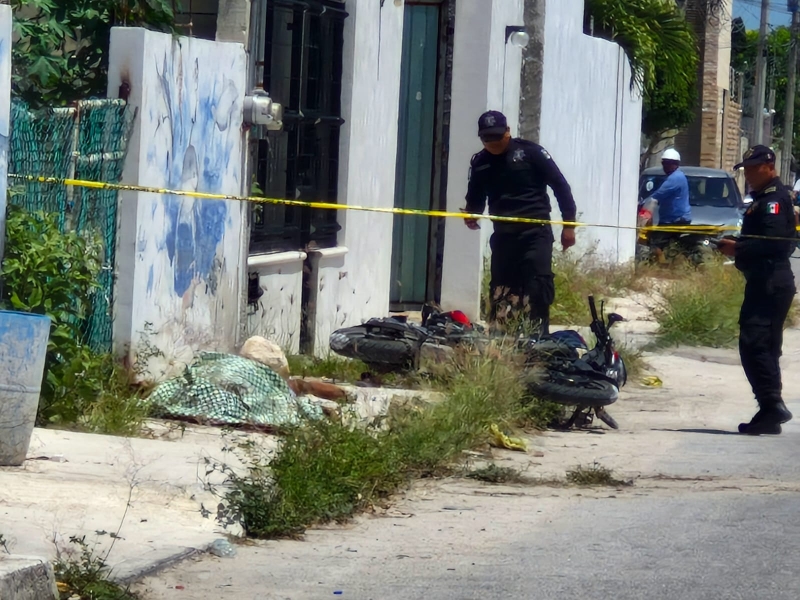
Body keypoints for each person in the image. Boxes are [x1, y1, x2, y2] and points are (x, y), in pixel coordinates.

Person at [462, 110, 576, 336]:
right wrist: (471, 214)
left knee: (537, 286)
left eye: (497, 137)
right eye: (487, 139)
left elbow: (560, 186)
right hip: (504, 236)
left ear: (508, 131)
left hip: (535, 233)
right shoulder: (480, 162)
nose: (493, 143)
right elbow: (475, 195)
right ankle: (502, 341)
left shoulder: (531, 153)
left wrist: (569, 226)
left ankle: (537, 338)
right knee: (502, 289)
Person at [718, 145, 796, 435]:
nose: (749, 174)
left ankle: (772, 404)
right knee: (762, 344)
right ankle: (769, 410)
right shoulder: (763, 198)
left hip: (770, 281)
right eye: (746, 169)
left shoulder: (773, 200)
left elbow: (774, 243)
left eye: (753, 168)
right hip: (765, 281)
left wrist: (738, 248)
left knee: (755, 343)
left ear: (769, 166)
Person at [644, 148, 692, 260]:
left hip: (674, 220)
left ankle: (661, 265)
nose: (665, 166)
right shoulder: (677, 176)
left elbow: (657, 196)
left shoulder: (675, 178)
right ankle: (671, 262)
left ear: (676, 164)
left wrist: (644, 211)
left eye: (668, 163)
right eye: (664, 163)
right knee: (670, 246)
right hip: (673, 219)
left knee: (655, 243)